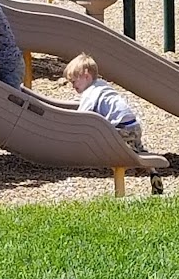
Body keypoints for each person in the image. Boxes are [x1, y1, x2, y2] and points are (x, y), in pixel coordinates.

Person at [64, 53, 164, 195]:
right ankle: (152, 171)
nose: (72, 86)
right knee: (138, 149)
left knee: (113, 148)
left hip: (121, 128)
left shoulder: (90, 92)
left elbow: (82, 116)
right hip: (133, 125)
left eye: (74, 82)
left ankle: (134, 162)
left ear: (86, 76)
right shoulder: (103, 86)